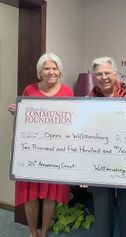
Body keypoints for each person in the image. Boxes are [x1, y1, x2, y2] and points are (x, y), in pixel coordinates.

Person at [8, 53, 74, 237]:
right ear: (40, 71)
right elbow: (25, 119)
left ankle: (43, 232)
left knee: (50, 195)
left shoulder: (68, 92)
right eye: (47, 68)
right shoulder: (29, 90)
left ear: (59, 71)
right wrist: (16, 112)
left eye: (54, 68)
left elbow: (72, 121)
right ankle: (32, 233)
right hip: (31, 152)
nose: (51, 72)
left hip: (55, 152)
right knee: (31, 195)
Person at [88, 56, 126, 237]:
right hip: (99, 161)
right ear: (94, 77)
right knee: (102, 212)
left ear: (115, 74)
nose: (103, 77)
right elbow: (85, 133)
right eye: (99, 74)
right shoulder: (89, 98)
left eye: (107, 72)